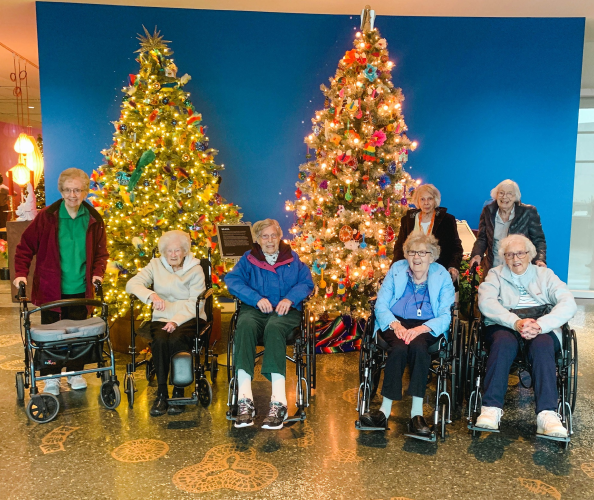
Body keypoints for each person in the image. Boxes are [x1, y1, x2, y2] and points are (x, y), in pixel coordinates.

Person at [13, 168, 108, 395]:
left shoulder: (94, 218)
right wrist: (20, 273)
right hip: (50, 289)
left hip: (80, 289)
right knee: (51, 336)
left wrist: (98, 272)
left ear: (85, 191)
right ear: (61, 191)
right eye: (67, 190)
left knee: (77, 334)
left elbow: (101, 254)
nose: (72, 195)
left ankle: (74, 373)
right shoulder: (47, 217)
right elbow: (24, 248)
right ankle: (51, 378)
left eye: (77, 190)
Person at [475, 234, 577, 437]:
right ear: (504, 257)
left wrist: (541, 325)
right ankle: (491, 409)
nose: (515, 258)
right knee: (503, 343)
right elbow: (486, 301)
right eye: (510, 254)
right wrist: (515, 321)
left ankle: (547, 414)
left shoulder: (545, 275)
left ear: (530, 254)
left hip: (540, 326)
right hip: (505, 324)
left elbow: (568, 302)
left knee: (542, 346)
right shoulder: (495, 274)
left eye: (520, 253)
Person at [360, 233, 455, 436]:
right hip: (396, 321)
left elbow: (446, 315)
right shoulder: (397, 269)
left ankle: (416, 415)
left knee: (420, 347)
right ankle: (384, 412)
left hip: (427, 326)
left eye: (422, 252)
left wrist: (421, 329)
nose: (417, 258)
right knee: (400, 347)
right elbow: (381, 304)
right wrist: (395, 325)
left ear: (432, 255)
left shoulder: (442, 274)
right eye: (412, 252)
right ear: (406, 254)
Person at [225, 219, 313, 430]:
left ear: (280, 236)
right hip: (255, 310)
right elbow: (233, 281)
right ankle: (245, 400)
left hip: (285, 311)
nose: (270, 240)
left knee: (275, 327)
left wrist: (289, 298)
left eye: (273, 235)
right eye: (265, 236)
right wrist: (255, 298)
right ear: (257, 239)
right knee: (244, 324)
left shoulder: (292, 258)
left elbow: (307, 282)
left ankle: (279, 401)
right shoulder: (248, 259)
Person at [126, 230, 206, 417]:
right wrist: (151, 295)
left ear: (185, 251)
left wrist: (176, 321)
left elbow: (197, 301)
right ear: (163, 252)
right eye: (168, 251)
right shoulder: (155, 264)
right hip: (162, 316)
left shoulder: (196, 269)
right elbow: (132, 284)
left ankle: (178, 391)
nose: (173, 255)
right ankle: (162, 394)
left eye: (177, 250)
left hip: (189, 316)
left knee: (177, 339)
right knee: (160, 341)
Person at [470, 179, 546, 275]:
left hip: (519, 269)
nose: (504, 197)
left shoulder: (528, 212)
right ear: (496, 195)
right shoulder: (488, 211)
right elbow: (482, 238)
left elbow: (538, 240)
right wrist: (477, 255)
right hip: (493, 268)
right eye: (501, 193)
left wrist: (539, 259)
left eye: (509, 193)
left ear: (515, 197)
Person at [391, 183, 463, 281]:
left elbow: (456, 247)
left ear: (435, 200)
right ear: (417, 201)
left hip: (438, 271)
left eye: (430, 199)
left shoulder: (447, 220)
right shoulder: (408, 220)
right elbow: (399, 247)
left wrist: (453, 266)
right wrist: (395, 268)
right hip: (412, 271)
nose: (426, 203)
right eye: (422, 199)